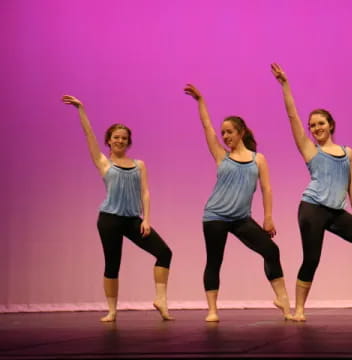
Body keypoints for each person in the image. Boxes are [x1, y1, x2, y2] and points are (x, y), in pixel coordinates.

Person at [270, 63, 352, 322]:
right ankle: (299, 310)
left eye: (321, 123)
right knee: (312, 259)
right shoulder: (310, 150)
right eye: (312, 125)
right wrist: (285, 85)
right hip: (312, 209)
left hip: (337, 212)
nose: (316, 128)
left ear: (331, 125)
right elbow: (292, 116)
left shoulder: (348, 153)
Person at [183, 84, 292, 322]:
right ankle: (212, 310)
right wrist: (201, 101)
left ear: (241, 132)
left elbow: (266, 189)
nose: (225, 136)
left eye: (229, 132)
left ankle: (284, 304)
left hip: (241, 218)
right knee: (214, 260)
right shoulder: (222, 156)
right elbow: (207, 127)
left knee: (271, 250)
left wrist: (268, 216)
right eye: (223, 133)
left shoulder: (257, 159)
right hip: (215, 216)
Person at [62, 95, 174, 322]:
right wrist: (81, 109)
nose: (120, 141)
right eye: (116, 138)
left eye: (124, 138)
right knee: (113, 263)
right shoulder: (104, 163)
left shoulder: (139, 165)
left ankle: (161, 299)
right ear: (109, 141)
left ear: (128, 142)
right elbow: (89, 135)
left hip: (133, 219)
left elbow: (145, 192)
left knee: (164, 252)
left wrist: (146, 219)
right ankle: (112, 310)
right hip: (109, 219)